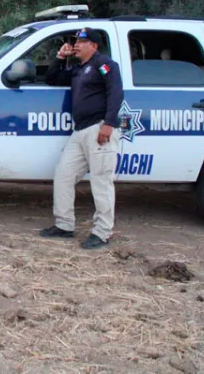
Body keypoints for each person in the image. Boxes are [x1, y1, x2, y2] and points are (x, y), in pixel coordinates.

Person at [40, 27, 124, 249]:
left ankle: (102, 232)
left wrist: (109, 123)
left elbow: (116, 91)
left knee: (101, 181)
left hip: (99, 129)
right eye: (75, 41)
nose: (76, 44)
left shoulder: (103, 64)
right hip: (80, 131)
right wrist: (60, 57)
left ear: (94, 46)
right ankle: (64, 225)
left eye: (81, 41)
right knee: (64, 175)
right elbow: (52, 78)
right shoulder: (79, 69)